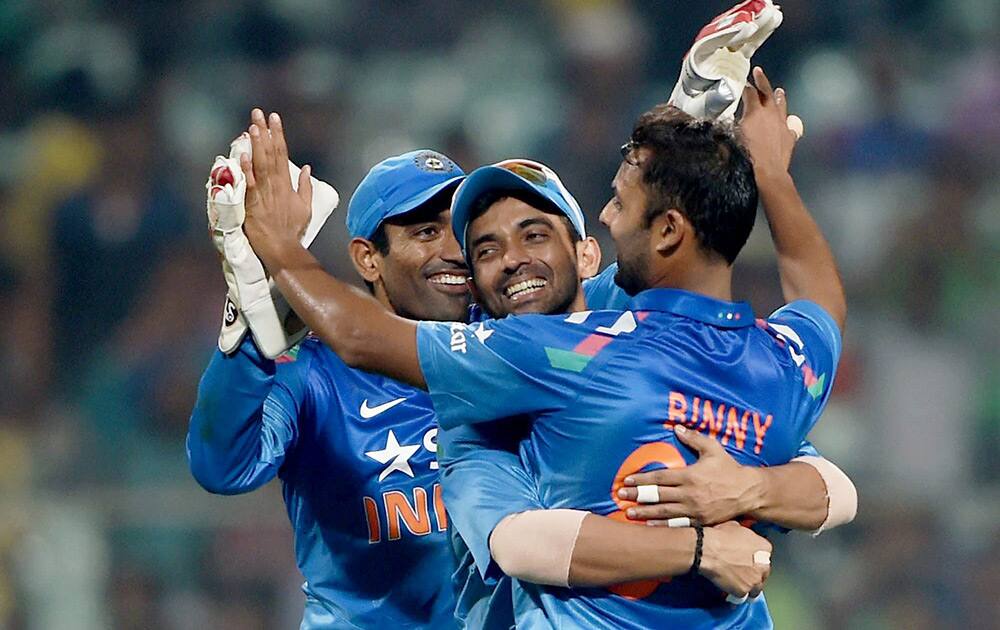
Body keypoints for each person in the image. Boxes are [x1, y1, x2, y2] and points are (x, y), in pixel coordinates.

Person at [237, 67, 849, 628]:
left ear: (590, 254)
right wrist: (767, 173)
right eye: (485, 250)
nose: (610, 217)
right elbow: (831, 468)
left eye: (535, 234)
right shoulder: (778, 360)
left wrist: (275, 246)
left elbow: (360, 335)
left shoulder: (559, 355)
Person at [188, 149, 472, 628]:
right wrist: (252, 324)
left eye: (462, 229)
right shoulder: (314, 369)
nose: (455, 250)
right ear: (368, 259)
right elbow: (223, 467)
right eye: (426, 232)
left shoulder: (510, 342)